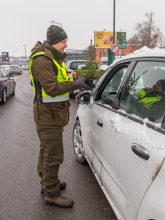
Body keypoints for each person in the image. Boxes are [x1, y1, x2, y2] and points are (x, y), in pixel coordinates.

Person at [29, 24, 90, 208]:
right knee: (53, 155)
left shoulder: (53, 58)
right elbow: (52, 88)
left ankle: (47, 183)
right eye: (63, 41)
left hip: (52, 115)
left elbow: (59, 81)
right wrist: (75, 85)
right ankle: (51, 193)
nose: (66, 44)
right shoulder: (42, 60)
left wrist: (75, 80)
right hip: (47, 116)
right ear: (54, 42)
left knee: (46, 151)